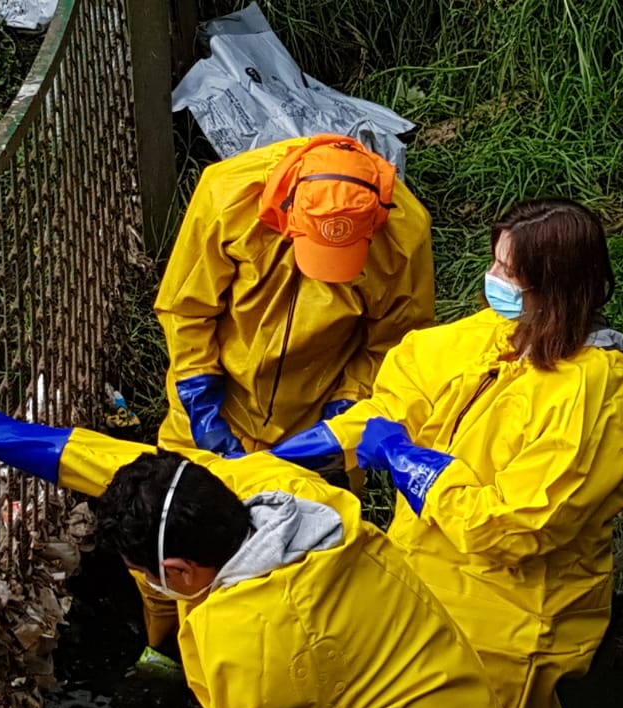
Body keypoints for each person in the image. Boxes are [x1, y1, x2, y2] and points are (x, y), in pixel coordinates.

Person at [269, 198, 623, 708]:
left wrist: (407, 463)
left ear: (553, 286)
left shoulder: (594, 396)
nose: (492, 278)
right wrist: (326, 442)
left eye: (508, 271)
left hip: (509, 619)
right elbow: (405, 399)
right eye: (495, 261)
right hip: (421, 578)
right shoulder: (498, 332)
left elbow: (520, 525)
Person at [0, 397, 505, 708]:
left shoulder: (250, 640)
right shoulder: (277, 488)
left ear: (177, 572)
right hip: (460, 691)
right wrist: (11, 437)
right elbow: (144, 470)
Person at [147, 133, 436, 657]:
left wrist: (344, 411)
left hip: (313, 413)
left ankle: (286, 664)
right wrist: (200, 396)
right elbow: (187, 308)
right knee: (169, 538)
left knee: (304, 556)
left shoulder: (406, 232)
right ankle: (165, 645)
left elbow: (394, 344)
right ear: (286, 213)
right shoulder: (227, 195)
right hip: (216, 400)